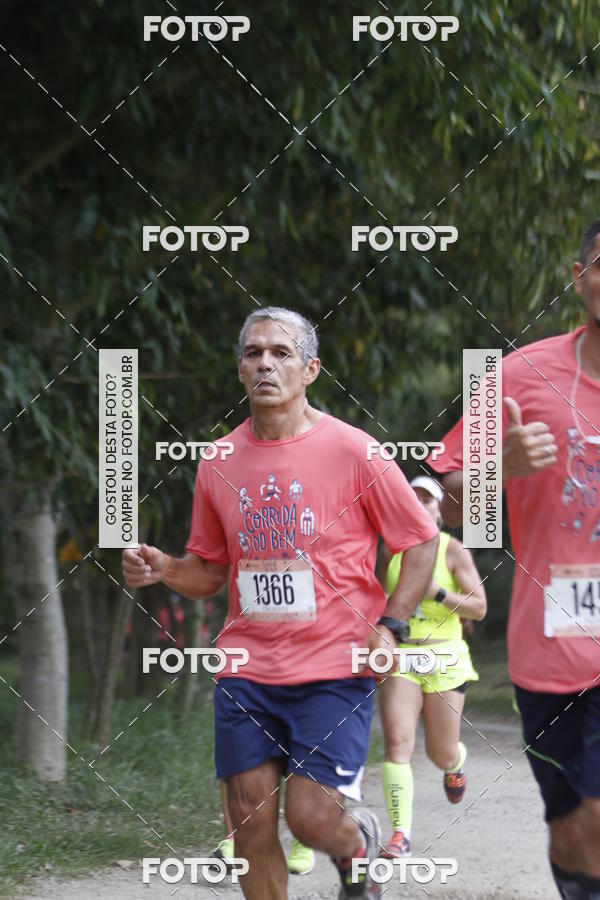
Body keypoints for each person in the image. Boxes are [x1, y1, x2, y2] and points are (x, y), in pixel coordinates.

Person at [122, 306, 439, 900]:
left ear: (311, 369)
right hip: (247, 669)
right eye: (253, 353)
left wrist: (391, 626)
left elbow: (419, 540)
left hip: (333, 670)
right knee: (249, 823)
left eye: (281, 352)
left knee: (312, 820)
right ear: (240, 370)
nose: (265, 362)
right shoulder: (218, 461)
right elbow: (211, 573)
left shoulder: (355, 451)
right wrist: (164, 568)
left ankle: (358, 843)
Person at [429, 219, 600, 900]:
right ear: (579, 275)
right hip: (549, 651)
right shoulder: (520, 375)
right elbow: (439, 501)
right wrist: (498, 469)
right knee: (571, 825)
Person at [376, 476, 486, 858]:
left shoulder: (452, 550)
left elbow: (479, 607)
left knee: (440, 752)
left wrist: (437, 592)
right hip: (403, 656)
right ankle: (399, 835)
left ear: (440, 510)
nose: (420, 503)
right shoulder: (395, 553)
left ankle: (454, 765)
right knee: (398, 742)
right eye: (414, 497)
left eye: (428, 498)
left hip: (445, 656)